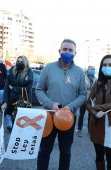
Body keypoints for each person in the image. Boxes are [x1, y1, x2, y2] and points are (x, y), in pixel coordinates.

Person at [35, 39, 87, 170]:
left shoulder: (79, 72)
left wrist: (71, 107)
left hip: (68, 119)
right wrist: (50, 104)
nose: (67, 52)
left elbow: (83, 94)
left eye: (70, 50)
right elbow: (39, 89)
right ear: (59, 51)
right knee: (44, 151)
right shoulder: (48, 68)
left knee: (65, 152)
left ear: (75, 53)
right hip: (49, 117)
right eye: (65, 49)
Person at [85, 54, 111, 170]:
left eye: (110, 65)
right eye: (104, 65)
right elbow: (87, 102)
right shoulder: (97, 82)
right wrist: (94, 113)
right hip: (97, 123)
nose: (107, 67)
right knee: (99, 158)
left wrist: (96, 107)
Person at [1, 55, 33, 126]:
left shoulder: (29, 73)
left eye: (21, 62)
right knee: (13, 124)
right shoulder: (11, 72)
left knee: (22, 125)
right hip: (12, 101)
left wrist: (14, 88)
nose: (19, 63)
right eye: (18, 61)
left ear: (25, 63)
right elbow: (6, 88)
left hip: (24, 103)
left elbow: (28, 89)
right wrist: (5, 102)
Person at [76, 65, 97, 137]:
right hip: (84, 99)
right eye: (91, 69)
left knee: (90, 115)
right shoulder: (83, 78)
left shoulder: (96, 79)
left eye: (94, 69)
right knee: (81, 115)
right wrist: (85, 86)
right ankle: (79, 129)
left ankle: (89, 130)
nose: (93, 70)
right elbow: (79, 88)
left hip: (91, 100)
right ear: (88, 70)